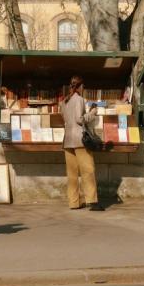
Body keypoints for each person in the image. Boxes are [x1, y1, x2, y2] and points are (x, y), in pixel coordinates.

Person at [60, 75, 103, 211]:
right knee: (88, 170)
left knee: (72, 174)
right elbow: (80, 120)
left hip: (67, 141)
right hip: (80, 140)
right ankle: (92, 201)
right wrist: (93, 112)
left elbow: (66, 119)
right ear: (80, 86)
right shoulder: (79, 99)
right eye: (83, 86)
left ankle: (74, 202)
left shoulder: (64, 102)